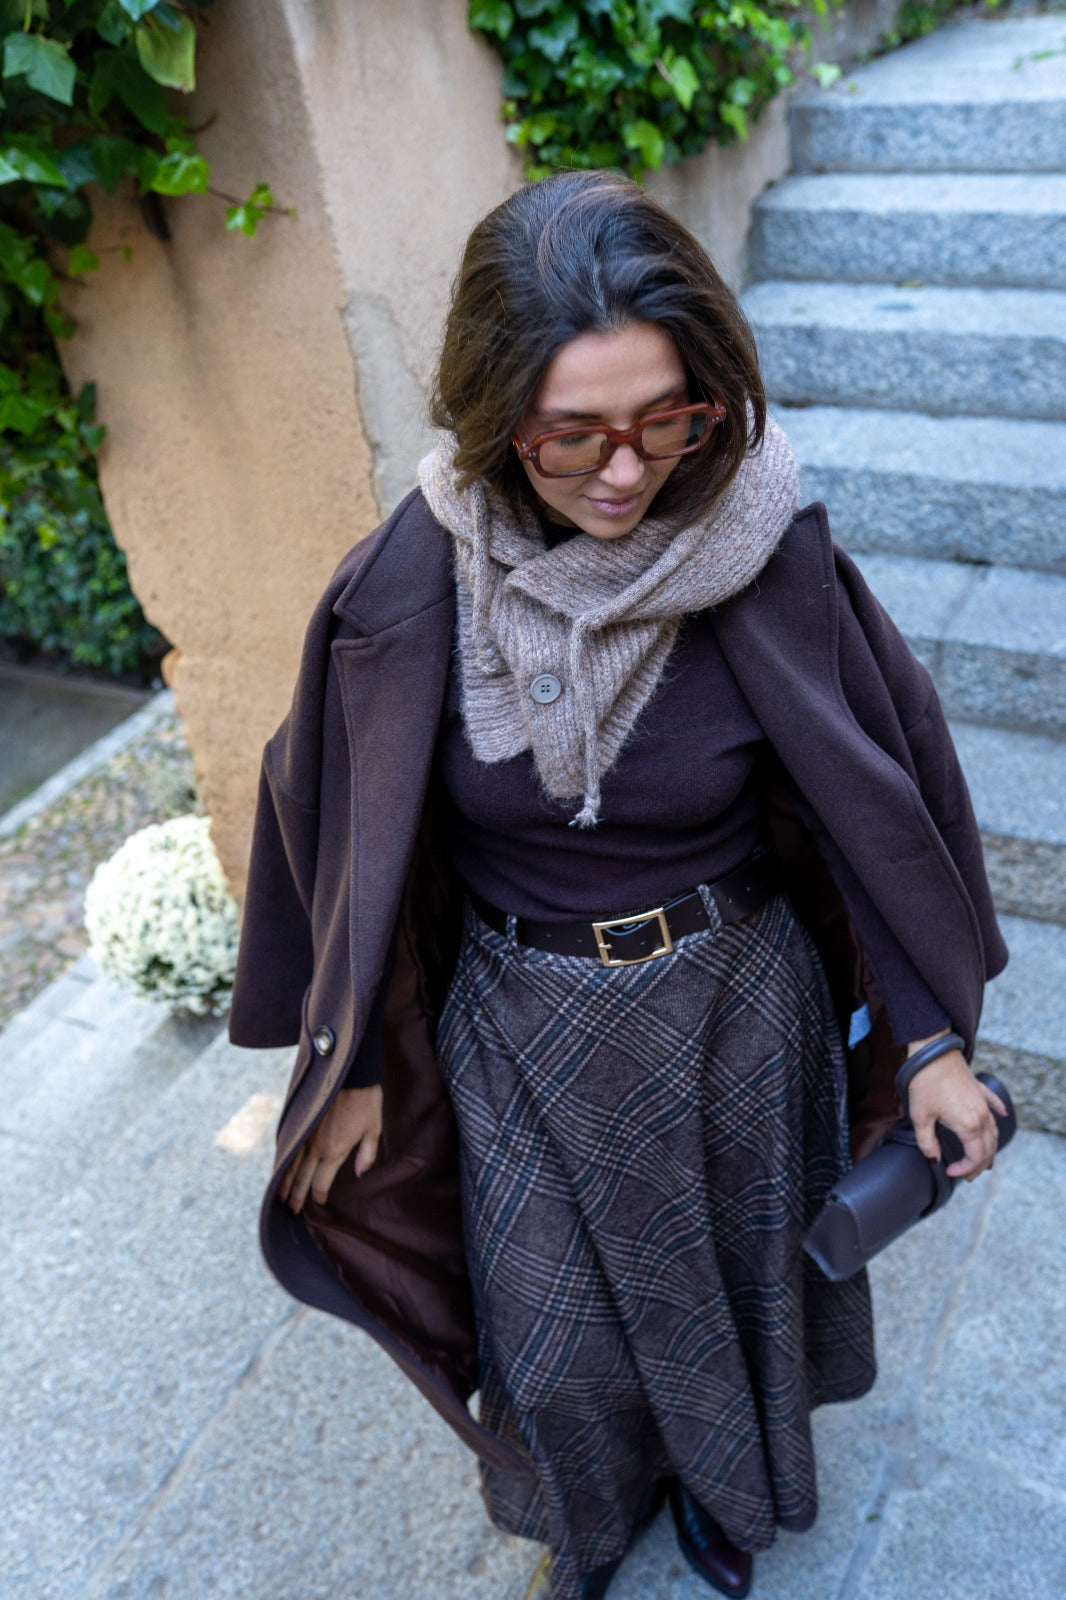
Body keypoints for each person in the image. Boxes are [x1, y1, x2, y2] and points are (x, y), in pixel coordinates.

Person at [229, 170, 1007, 1600]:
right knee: (556, 1334)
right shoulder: (407, 581)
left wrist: (931, 1043)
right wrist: (351, 1056)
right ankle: (588, 1520)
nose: (625, 472)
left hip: (736, 1011)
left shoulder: (769, 550)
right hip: (520, 1026)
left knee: (731, 1298)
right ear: (490, 419)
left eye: (668, 421)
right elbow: (343, 833)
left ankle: (723, 1497)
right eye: (570, 437)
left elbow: (872, 811)